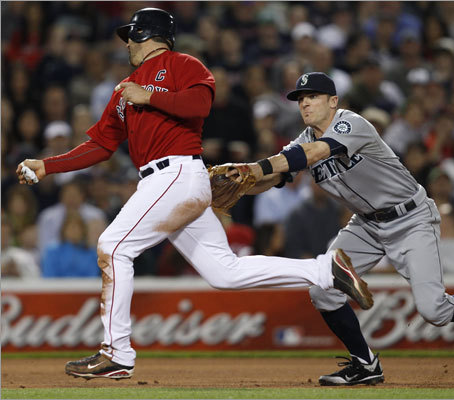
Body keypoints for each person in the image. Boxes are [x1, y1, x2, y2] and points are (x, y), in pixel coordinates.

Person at [16, 8, 368, 381]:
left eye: (131, 36)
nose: (127, 44)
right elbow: (101, 145)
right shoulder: (124, 90)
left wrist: (148, 96)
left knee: (113, 247)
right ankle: (325, 270)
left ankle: (116, 353)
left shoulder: (181, 64)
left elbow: (200, 105)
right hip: (163, 182)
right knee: (224, 272)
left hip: (177, 173)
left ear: (147, 35)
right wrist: (48, 165)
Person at [226, 71, 454, 386]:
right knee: (323, 290)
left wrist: (255, 167)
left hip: (411, 218)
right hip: (366, 224)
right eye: (300, 99)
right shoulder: (304, 140)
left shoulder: (350, 124)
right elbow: (275, 176)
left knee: (434, 310)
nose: (305, 103)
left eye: (313, 96)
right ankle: (365, 364)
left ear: (333, 101)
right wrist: (239, 184)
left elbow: (312, 155)